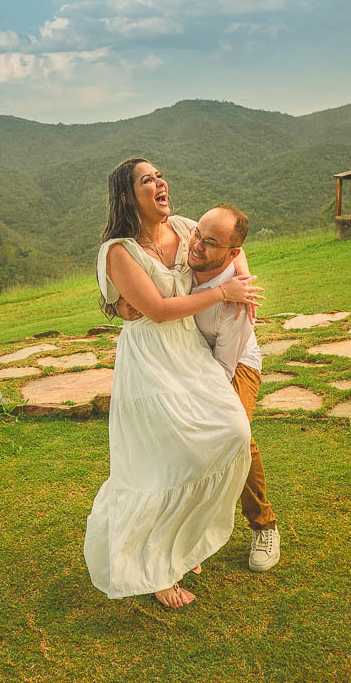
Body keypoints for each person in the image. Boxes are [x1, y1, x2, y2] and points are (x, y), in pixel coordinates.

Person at [83, 158, 263, 609]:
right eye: (148, 180)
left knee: (231, 432)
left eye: (159, 175)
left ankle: (183, 541)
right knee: (159, 462)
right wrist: (223, 293)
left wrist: (240, 280)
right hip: (151, 361)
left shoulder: (185, 228)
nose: (160, 183)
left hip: (191, 352)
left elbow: (231, 248)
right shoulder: (118, 251)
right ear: (128, 196)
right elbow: (158, 311)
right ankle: (156, 570)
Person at [117, 204, 280, 573]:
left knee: (234, 433)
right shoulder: (186, 243)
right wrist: (118, 305)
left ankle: (264, 525)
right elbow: (144, 289)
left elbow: (223, 370)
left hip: (232, 364)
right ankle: (185, 531)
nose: (196, 245)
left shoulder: (236, 307)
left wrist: (194, 403)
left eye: (210, 243)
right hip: (182, 362)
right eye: (197, 235)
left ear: (230, 252)